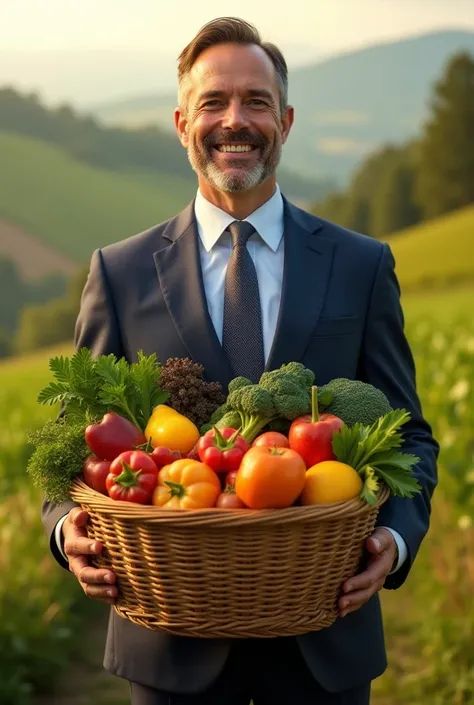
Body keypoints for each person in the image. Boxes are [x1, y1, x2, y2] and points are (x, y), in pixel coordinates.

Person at [41, 16, 439, 705]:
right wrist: (62, 527)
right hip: (170, 644)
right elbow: (72, 443)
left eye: (256, 101)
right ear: (180, 123)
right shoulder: (121, 272)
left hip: (325, 631)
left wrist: (395, 542)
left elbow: (411, 436)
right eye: (213, 103)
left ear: (284, 121)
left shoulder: (361, 266)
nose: (236, 120)